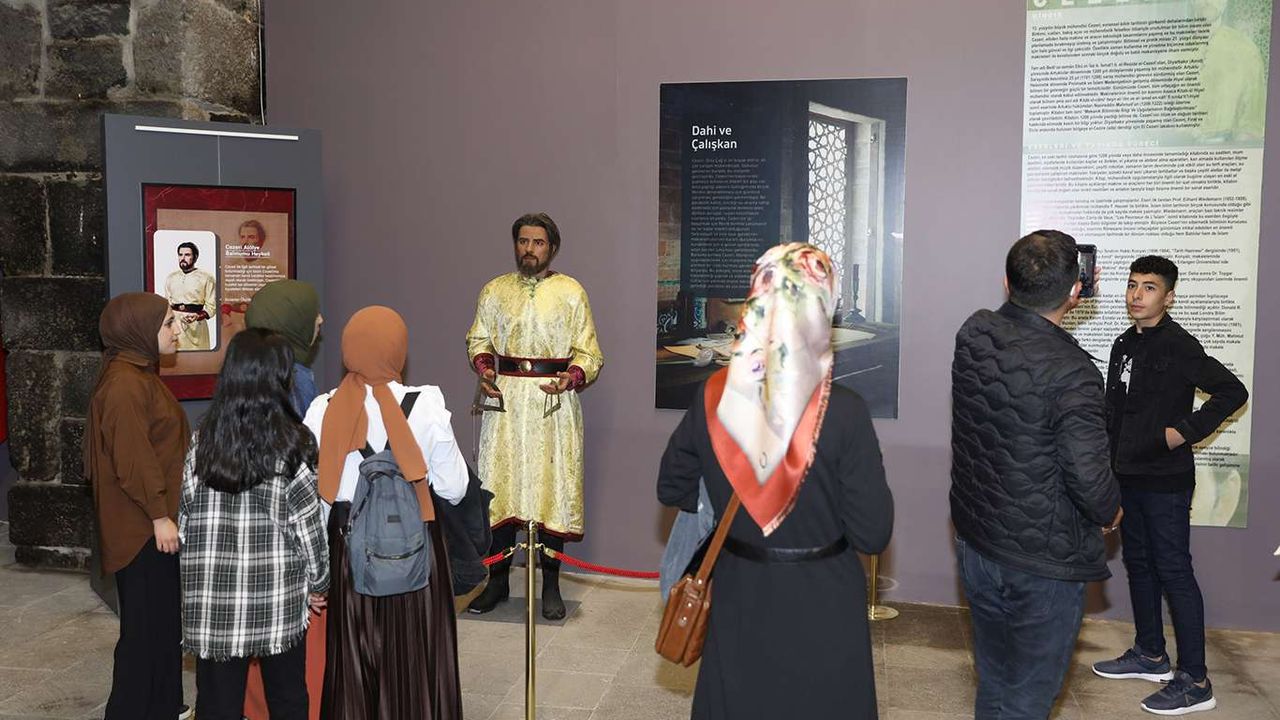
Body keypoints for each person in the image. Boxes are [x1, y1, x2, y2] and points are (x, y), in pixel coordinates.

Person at [658, 243, 893, 720]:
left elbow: (672, 485)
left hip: (740, 589)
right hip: (824, 599)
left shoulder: (714, 395)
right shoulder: (845, 411)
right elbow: (873, 532)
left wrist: (728, 490)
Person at [950, 230, 1121, 720]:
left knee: (995, 680)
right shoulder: (1073, 371)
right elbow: (1089, 476)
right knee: (1027, 697)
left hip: (979, 538)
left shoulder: (974, 332)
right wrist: (1110, 510)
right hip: (1042, 559)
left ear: (1007, 282)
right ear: (1077, 291)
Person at [1091, 255, 1248, 715]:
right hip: (1127, 477)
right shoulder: (1123, 343)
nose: (1137, 295)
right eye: (1132, 285)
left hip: (1165, 481)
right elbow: (1114, 413)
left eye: (1149, 287)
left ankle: (1195, 681)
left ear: (1169, 297)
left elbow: (1232, 391)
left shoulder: (1179, 345)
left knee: (1174, 571)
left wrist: (1183, 431)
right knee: (1138, 564)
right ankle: (1150, 654)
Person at [304, 306, 467, 719]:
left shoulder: (323, 409)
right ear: (399, 349)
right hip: (415, 549)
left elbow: (317, 499)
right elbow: (454, 488)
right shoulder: (426, 405)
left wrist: (314, 568)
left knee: (354, 660)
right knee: (416, 657)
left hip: (349, 549)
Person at [179, 328, 330, 720]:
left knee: (216, 705)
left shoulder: (203, 440)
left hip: (214, 599)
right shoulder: (295, 443)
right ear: (280, 378)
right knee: (288, 699)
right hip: (277, 598)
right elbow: (308, 527)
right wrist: (319, 584)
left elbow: (185, 517)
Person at [465, 212, 604, 619]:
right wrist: (485, 369)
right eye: (523, 241)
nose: (529, 249)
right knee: (499, 491)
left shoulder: (571, 292)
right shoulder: (494, 290)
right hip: (505, 404)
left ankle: (552, 587)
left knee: (551, 492)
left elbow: (590, 353)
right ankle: (497, 583)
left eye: (538, 242)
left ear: (552, 248)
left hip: (552, 405)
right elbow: (478, 339)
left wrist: (571, 377)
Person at [84, 292, 192, 720]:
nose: (177, 330)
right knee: (144, 633)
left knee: (161, 625)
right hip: (142, 529)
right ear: (140, 330)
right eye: (168, 323)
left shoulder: (138, 373)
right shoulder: (125, 384)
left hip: (150, 524)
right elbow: (133, 460)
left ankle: (163, 706)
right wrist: (159, 515)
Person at [241, 279, 326, 720]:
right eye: (312, 314)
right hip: (285, 549)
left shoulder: (241, 373)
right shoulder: (300, 380)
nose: (320, 321)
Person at [164, 241, 217, 351]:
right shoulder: (171, 278)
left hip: (196, 326)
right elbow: (167, 303)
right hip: (175, 325)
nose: (183, 258)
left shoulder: (206, 278)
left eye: (187, 255)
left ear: (195, 257)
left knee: (197, 358)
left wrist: (198, 316)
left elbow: (212, 305)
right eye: (180, 255)